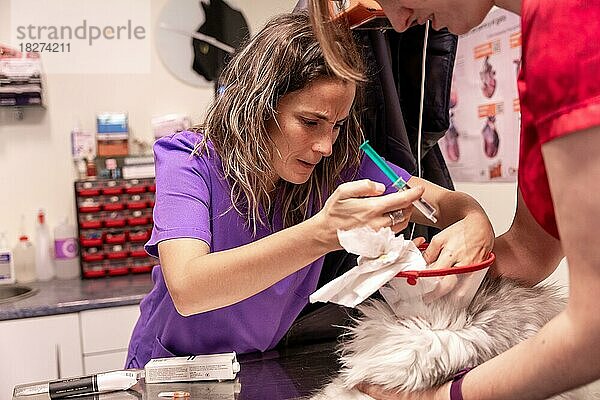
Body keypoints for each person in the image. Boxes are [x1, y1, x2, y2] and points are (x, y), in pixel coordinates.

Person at [125, 12, 495, 369]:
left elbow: (443, 204)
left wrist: (475, 219)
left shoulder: (335, 167)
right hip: (170, 369)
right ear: (258, 105)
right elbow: (190, 289)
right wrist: (323, 233)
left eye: (336, 126)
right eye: (310, 122)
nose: (326, 146)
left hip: (254, 367)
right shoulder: (188, 159)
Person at [309, 0, 600, 399]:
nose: (396, 21)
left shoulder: (571, 30)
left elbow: (592, 330)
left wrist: (438, 396)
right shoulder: (542, 43)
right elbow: (529, 253)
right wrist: (429, 275)